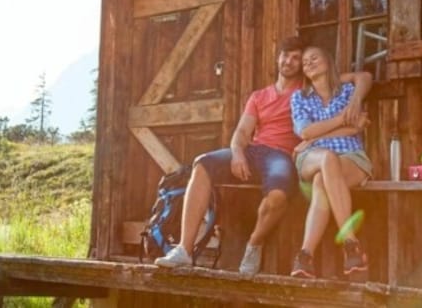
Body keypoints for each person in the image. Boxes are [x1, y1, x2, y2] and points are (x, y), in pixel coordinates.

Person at [154, 36, 372, 275]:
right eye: (285, 55)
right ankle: (184, 249)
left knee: (278, 197)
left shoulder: (308, 87)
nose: (289, 61)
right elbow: (243, 131)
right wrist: (237, 153)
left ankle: (254, 244)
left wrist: (354, 103)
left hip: (280, 156)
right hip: (253, 151)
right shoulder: (259, 96)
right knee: (202, 164)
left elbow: (359, 79)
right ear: (278, 59)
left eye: (296, 58)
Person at [289, 45, 373, 279]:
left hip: (351, 157)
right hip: (311, 157)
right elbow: (305, 131)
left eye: (314, 58)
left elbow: (365, 79)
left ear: (327, 61)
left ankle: (305, 256)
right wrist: (341, 121)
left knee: (321, 181)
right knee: (326, 159)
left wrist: (355, 103)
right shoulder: (300, 97)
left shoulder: (346, 91)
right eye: (305, 62)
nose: (308, 63)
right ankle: (351, 243)